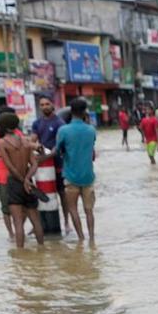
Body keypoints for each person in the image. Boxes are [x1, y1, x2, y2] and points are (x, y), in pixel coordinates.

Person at [0, 111, 44, 247]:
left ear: (3, 127)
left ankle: (20, 257)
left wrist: (22, 181)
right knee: (36, 220)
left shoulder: (2, 143)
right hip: (29, 183)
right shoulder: (26, 141)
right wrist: (28, 179)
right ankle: (42, 249)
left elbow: (10, 167)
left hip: (14, 183)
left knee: (18, 222)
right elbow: (34, 164)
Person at [56, 96, 100, 243]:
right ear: (84, 112)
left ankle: (81, 238)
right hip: (88, 176)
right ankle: (92, 238)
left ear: (71, 111)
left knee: (73, 209)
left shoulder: (63, 130)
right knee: (89, 211)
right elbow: (91, 150)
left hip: (70, 176)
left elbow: (58, 151)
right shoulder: (91, 130)